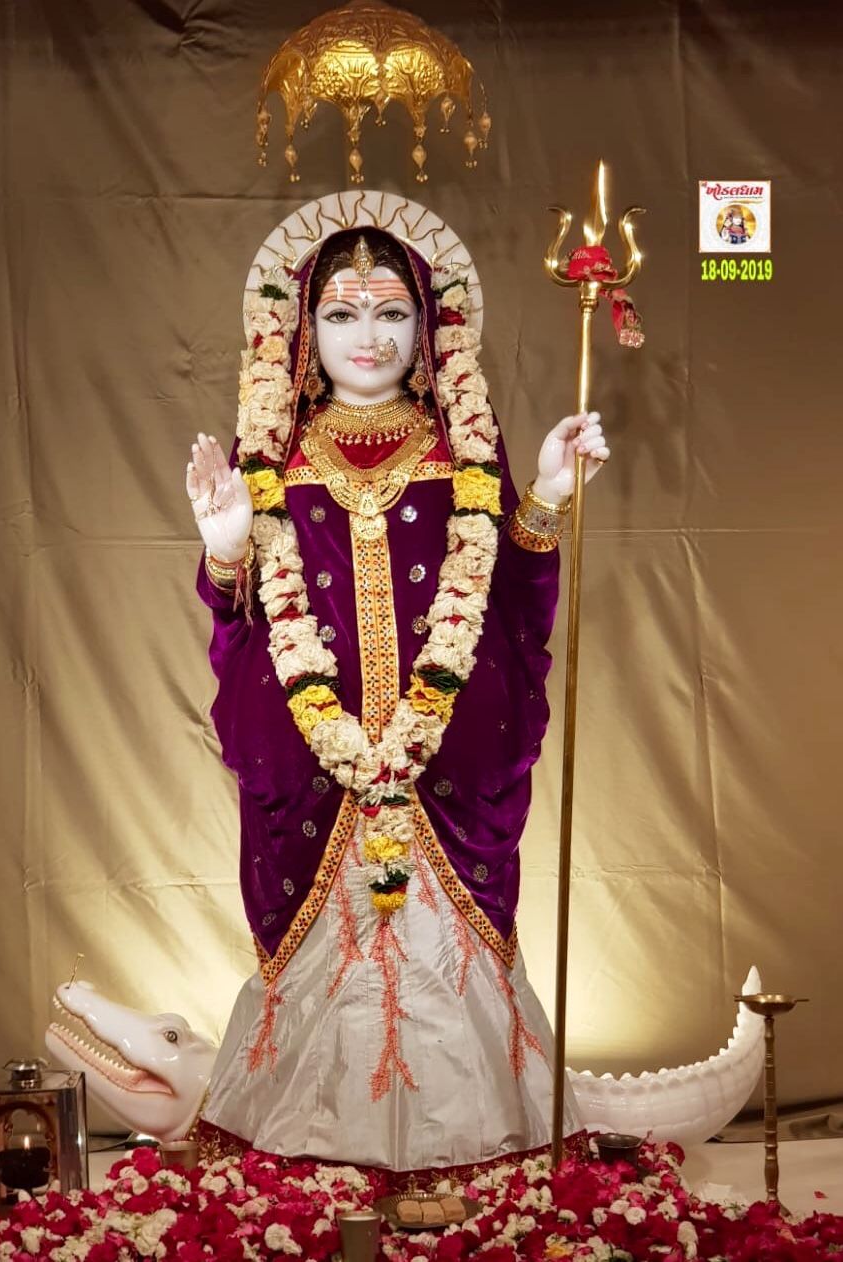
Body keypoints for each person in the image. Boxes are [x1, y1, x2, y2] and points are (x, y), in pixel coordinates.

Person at [185, 221, 609, 1173]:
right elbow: (238, 617)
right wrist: (225, 548)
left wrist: (545, 494)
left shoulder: (462, 449)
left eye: (391, 314)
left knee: (443, 957)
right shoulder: (275, 457)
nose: (368, 337)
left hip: (445, 765)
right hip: (315, 765)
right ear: (304, 331)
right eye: (341, 315)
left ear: (430, 330)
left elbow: (511, 590)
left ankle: (470, 1156)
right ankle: (314, 1164)